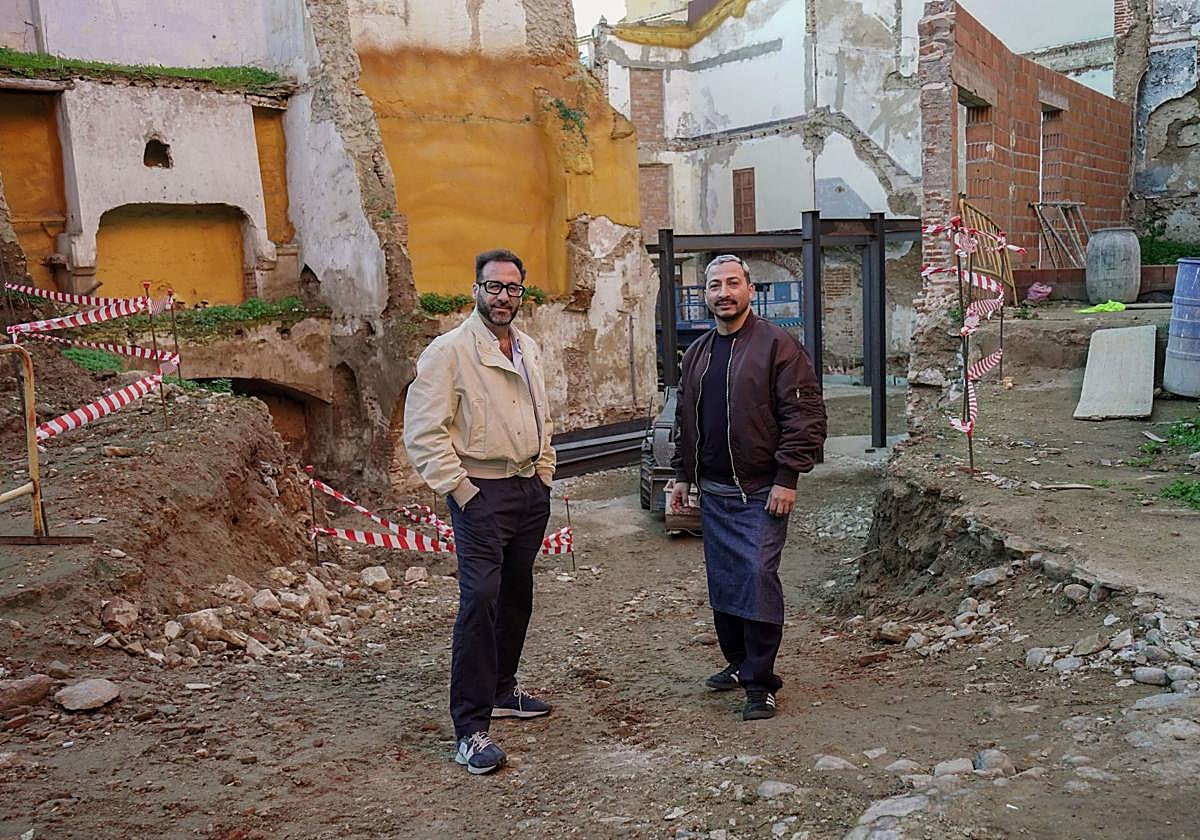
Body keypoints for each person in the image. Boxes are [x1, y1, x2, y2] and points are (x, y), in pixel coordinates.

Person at [404, 248, 556, 775]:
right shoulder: (448, 351)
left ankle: (502, 690)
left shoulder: (529, 348)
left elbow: (542, 413)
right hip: (481, 495)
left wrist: (545, 472)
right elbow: (424, 432)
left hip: (528, 491)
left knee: (517, 596)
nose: (503, 298)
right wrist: (462, 490)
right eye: (494, 287)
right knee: (481, 600)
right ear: (476, 289)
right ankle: (470, 728)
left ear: (522, 293)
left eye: (513, 288)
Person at [669, 254, 826, 721]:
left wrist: (788, 477)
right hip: (713, 491)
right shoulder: (697, 353)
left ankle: (761, 682)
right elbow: (685, 420)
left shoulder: (779, 347)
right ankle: (738, 663)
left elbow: (806, 417)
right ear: (706, 296)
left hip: (760, 491)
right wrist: (682, 475)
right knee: (725, 581)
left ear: (750, 290)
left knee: (756, 577)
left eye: (732, 283)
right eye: (714, 285)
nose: (723, 292)